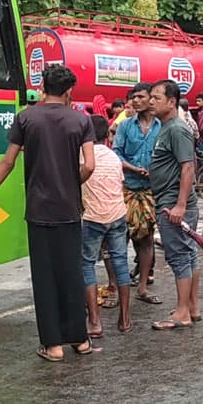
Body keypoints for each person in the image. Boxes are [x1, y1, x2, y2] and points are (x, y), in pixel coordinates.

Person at [0, 64, 97, 361]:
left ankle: (53, 345)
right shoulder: (81, 120)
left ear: (42, 87)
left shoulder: (26, 118)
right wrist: (69, 181)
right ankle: (80, 340)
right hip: (69, 210)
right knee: (71, 271)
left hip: (39, 209)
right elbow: (89, 165)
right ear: (69, 91)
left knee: (45, 276)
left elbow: (8, 162)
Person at [149, 80, 203, 329]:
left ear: (171, 102)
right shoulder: (166, 127)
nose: (151, 101)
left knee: (180, 256)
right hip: (170, 200)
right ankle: (191, 306)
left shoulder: (177, 129)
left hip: (174, 204)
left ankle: (182, 311)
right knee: (188, 254)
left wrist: (180, 205)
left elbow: (188, 166)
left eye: (156, 97)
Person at [81, 115, 132, 337]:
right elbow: (119, 186)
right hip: (117, 214)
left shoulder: (82, 156)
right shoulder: (113, 157)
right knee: (120, 262)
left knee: (86, 264)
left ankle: (94, 321)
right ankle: (125, 318)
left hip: (93, 216)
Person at [112, 82, 162, 305]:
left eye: (141, 97)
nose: (135, 101)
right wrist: (134, 169)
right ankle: (117, 286)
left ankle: (142, 287)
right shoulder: (124, 126)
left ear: (150, 99)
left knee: (146, 239)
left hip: (151, 190)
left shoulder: (163, 126)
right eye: (134, 97)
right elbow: (116, 155)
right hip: (128, 188)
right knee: (119, 237)